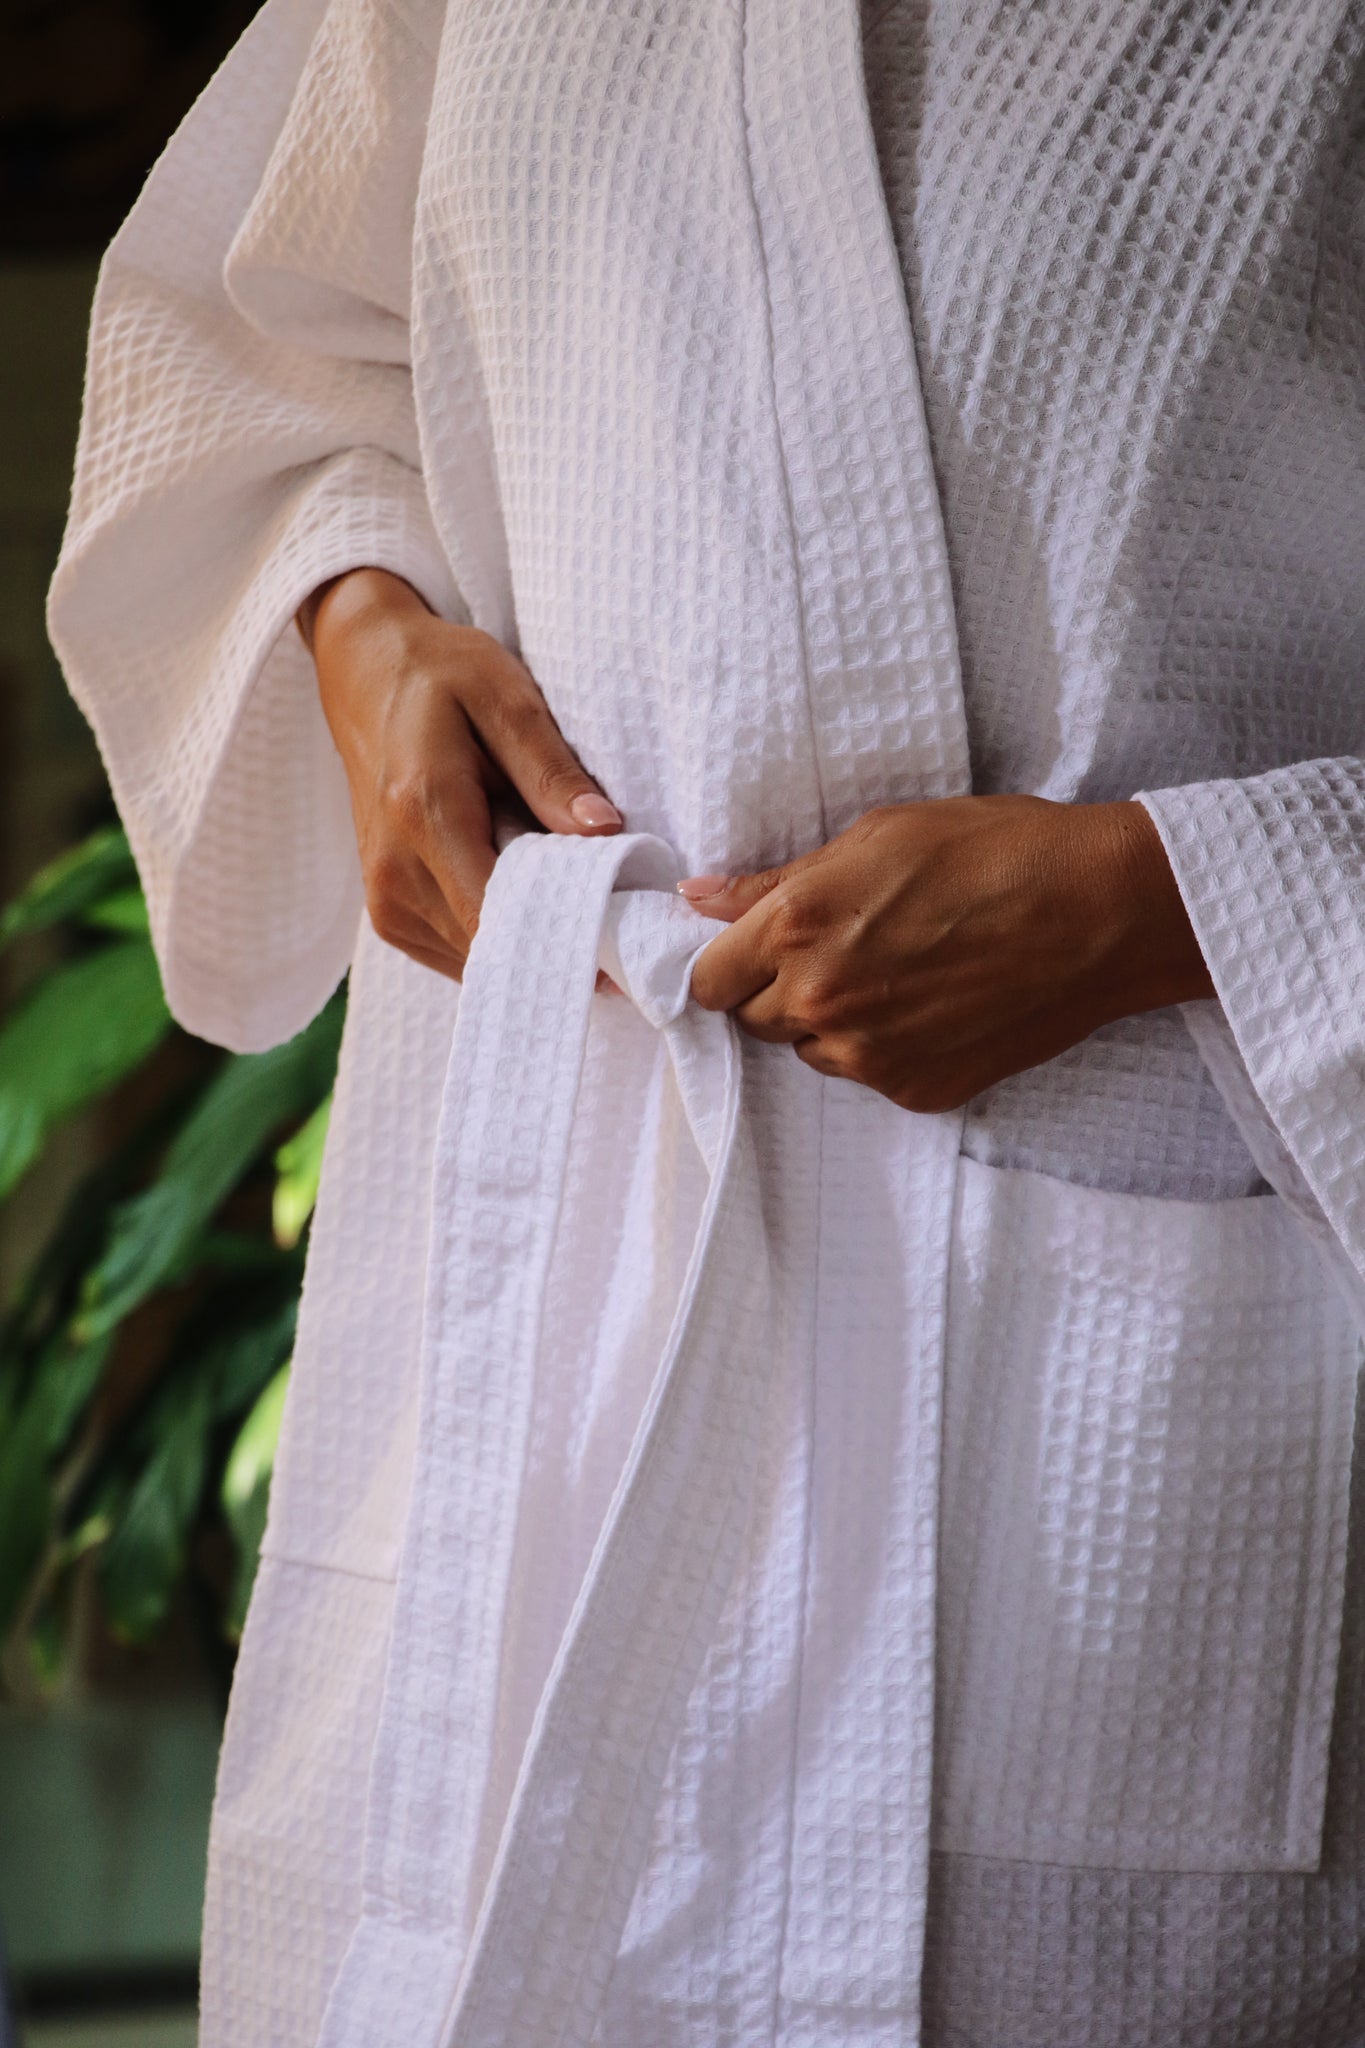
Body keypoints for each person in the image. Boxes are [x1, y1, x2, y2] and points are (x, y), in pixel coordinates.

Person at [47, 0, 1365, 2041]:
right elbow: (250, 351)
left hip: (1147, 1453)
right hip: (539, 1347)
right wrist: (362, 621)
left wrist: (1164, 906)